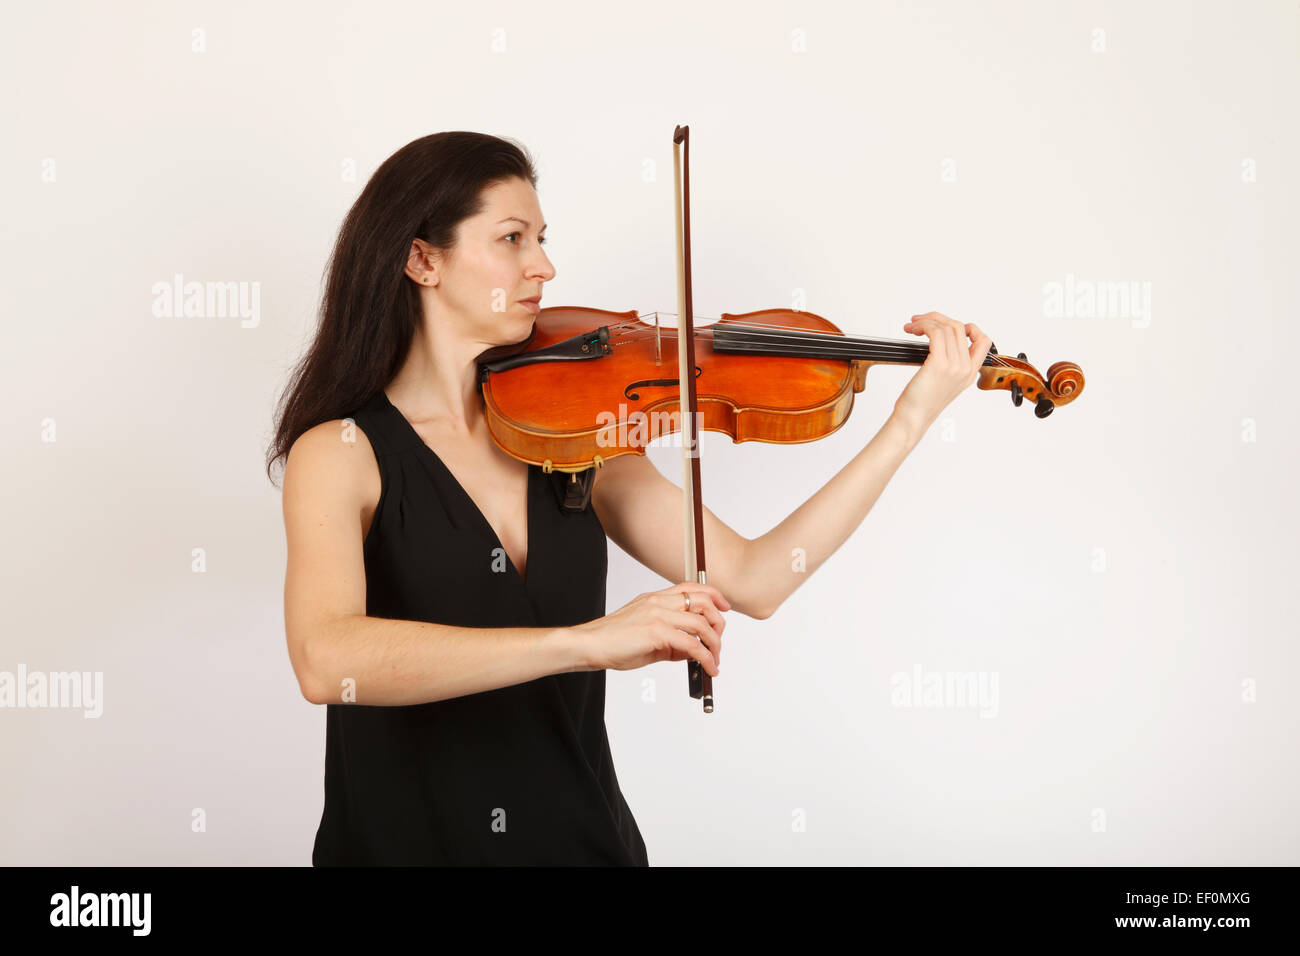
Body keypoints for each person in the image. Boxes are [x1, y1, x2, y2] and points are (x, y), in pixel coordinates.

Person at [265, 131, 991, 866]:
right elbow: (327, 660)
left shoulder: (579, 436)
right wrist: (585, 644)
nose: (542, 266)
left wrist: (910, 419)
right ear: (423, 259)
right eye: (512, 238)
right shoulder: (342, 454)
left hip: (582, 845)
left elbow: (757, 579)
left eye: (542, 239)